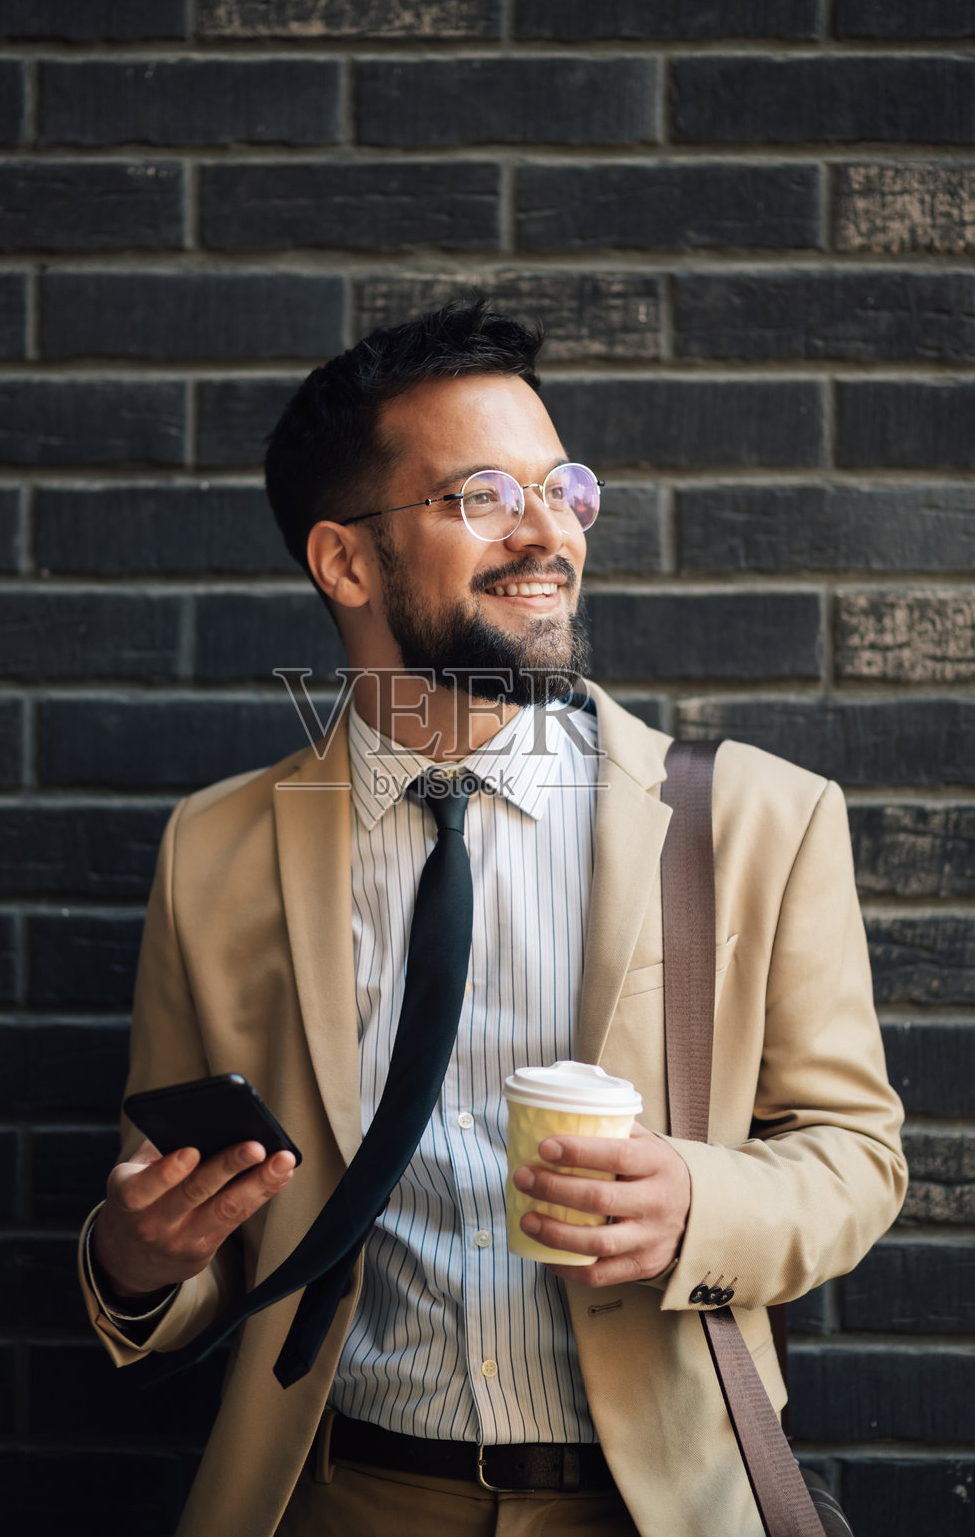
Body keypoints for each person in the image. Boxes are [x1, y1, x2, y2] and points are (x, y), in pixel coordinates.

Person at [79, 302, 907, 1537]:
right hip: (338, 1499)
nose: (550, 531)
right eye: (484, 496)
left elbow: (858, 1154)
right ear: (345, 563)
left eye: (563, 487)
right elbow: (195, 1225)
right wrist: (137, 1261)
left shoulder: (762, 821)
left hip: (651, 1506)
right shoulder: (214, 851)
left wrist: (700, 1201)